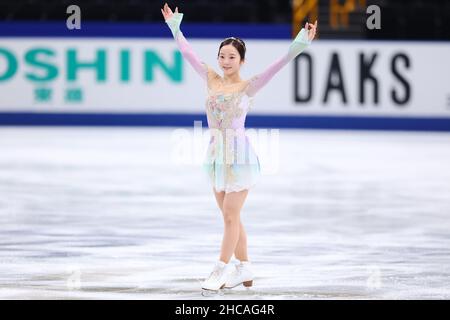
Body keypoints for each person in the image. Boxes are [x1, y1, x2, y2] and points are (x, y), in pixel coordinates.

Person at [161, 2, 317, 293]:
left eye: (232, 56)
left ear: (241, 60)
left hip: (239, 156)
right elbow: (187, 53)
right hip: (216, 155)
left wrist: (301, 42)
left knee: (231, 215)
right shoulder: (211, 79)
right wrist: (174, 27)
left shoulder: (249, 86)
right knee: (230, 216)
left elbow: (278, 65)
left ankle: (220, 269)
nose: (225, 60)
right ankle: (244, 267)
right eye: (222, 56)